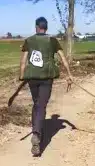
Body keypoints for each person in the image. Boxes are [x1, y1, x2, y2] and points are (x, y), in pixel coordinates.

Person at [19, 16, 73, 156]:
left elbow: (23, 60)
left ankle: (36, 129)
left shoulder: (29, 41)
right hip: (47, 77)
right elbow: (62, 58)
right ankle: (37, 133)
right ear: (46, 27)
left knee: (36, 103)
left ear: (36, 27)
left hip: (32, 77)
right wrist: (69, 74)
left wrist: (21, 75)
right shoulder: (52, 40)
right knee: (41, 105)